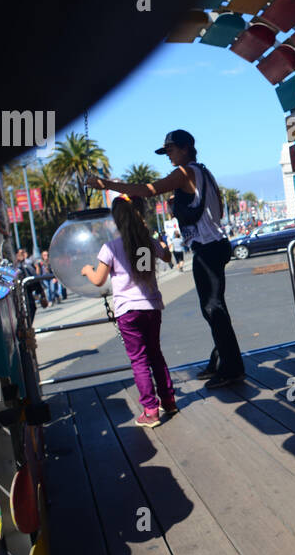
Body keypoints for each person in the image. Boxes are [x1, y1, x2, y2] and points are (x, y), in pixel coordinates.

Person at [88, 129, 246, 388]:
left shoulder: (185, 172)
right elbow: (214, 205)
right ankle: (222, 359)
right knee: (214, 308)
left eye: (170, 150)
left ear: (185, 148)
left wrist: (107, 184)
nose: (168, 156)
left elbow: (148, 190)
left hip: (207, 248)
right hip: (215, 244)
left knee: (213, 308)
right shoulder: (204, 172)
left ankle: (231, 368)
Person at [79, 196, 178, 427]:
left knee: (139, 360)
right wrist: (160, 241)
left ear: (116, 220)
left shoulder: (111, 247)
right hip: (151, 307)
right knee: (155, 354)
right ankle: (169, 400)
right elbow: (167, 256)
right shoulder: (146, 243)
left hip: (128, 312)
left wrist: (86, 270)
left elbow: (98, 279)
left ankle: (151, 411)